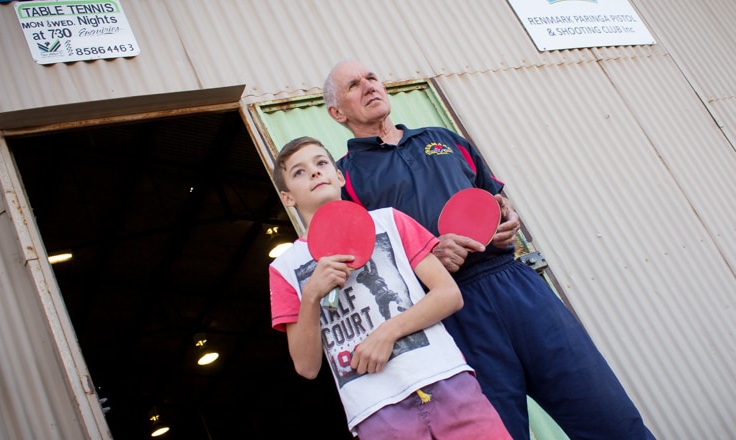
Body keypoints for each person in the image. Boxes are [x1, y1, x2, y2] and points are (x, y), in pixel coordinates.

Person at [323, 59, 656, 440]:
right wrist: (427, 258)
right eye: (353, 85)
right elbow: (368, 268)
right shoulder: (344, 177)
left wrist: (508, 213)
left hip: (515, 286)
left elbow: (495, 197)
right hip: (448, 314)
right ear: (336, 112)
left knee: (608, 416)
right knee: (499, 433)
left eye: (372, 77)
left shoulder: (444, 139)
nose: (368, 86)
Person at [269, 136, 511, 439]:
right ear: (287, 197)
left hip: (445, 380)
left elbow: (448, 294)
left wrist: (388, 332)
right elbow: (306, 366)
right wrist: (312, 295)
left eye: (321, 163)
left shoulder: (391, 221)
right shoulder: (284, 268)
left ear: (339, 175)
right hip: (376, 411)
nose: (315, 172)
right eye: (299, 172)